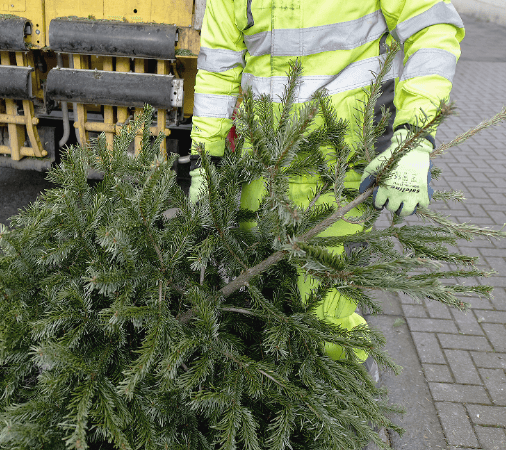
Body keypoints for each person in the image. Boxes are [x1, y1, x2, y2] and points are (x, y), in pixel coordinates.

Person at [190, 0, 464, 362]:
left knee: (323, 313)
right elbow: (218, 71)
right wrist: (204, 162)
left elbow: (431, 30)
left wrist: (412, 137)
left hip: (344, 167)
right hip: (263, 162)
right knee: (253, 291)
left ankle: (342, 387)